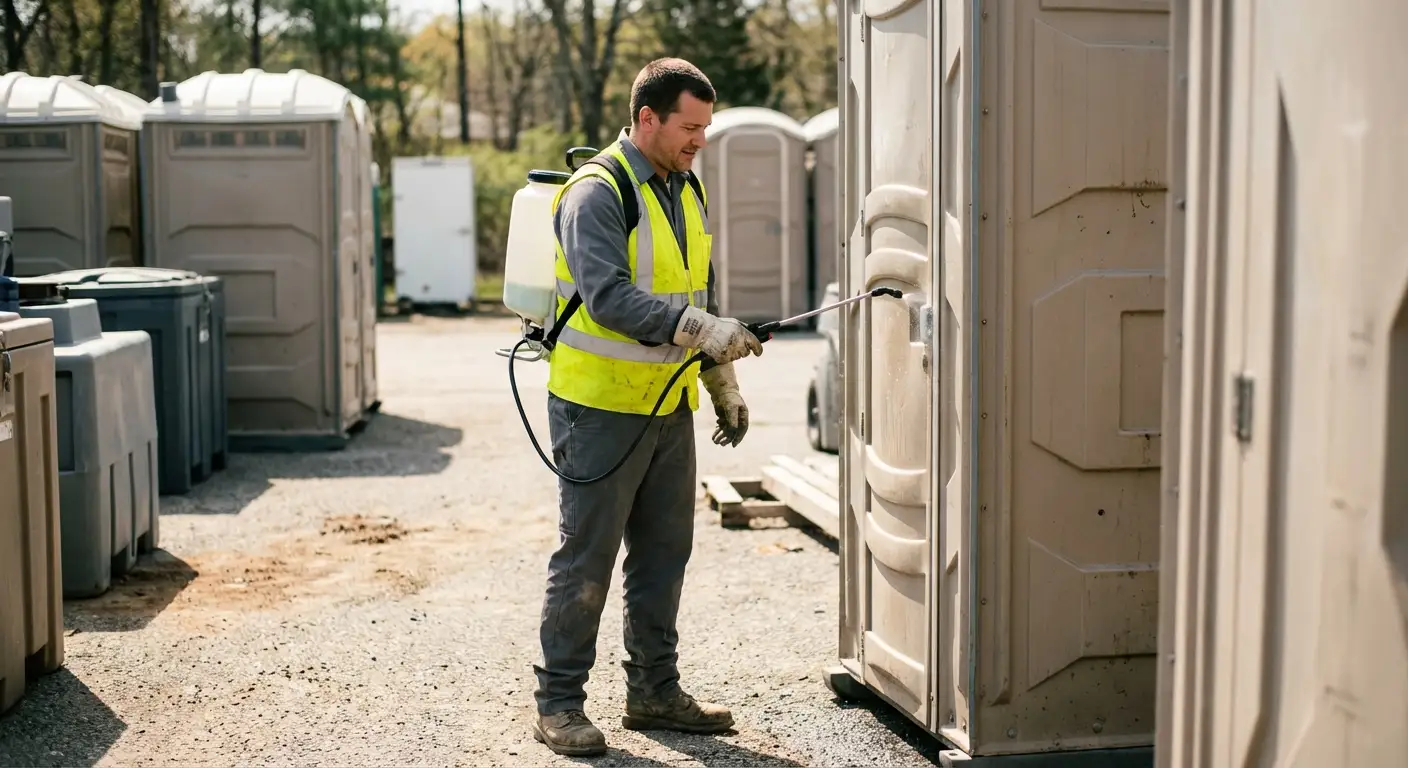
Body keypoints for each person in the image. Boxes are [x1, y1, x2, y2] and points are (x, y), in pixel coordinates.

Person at [530, 57, 764, 757]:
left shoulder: (684, 188)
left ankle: (654, 692)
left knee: (664, 554)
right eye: (690, 127)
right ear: (647, 119)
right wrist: (704, 333)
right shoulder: (597, 193)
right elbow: (609, 297)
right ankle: (558, 705)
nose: (700, 140)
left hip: (667, 405)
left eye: (706, 128)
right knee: (587, 558)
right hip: (598, 409)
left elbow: (698, 293)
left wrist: (721, 381)